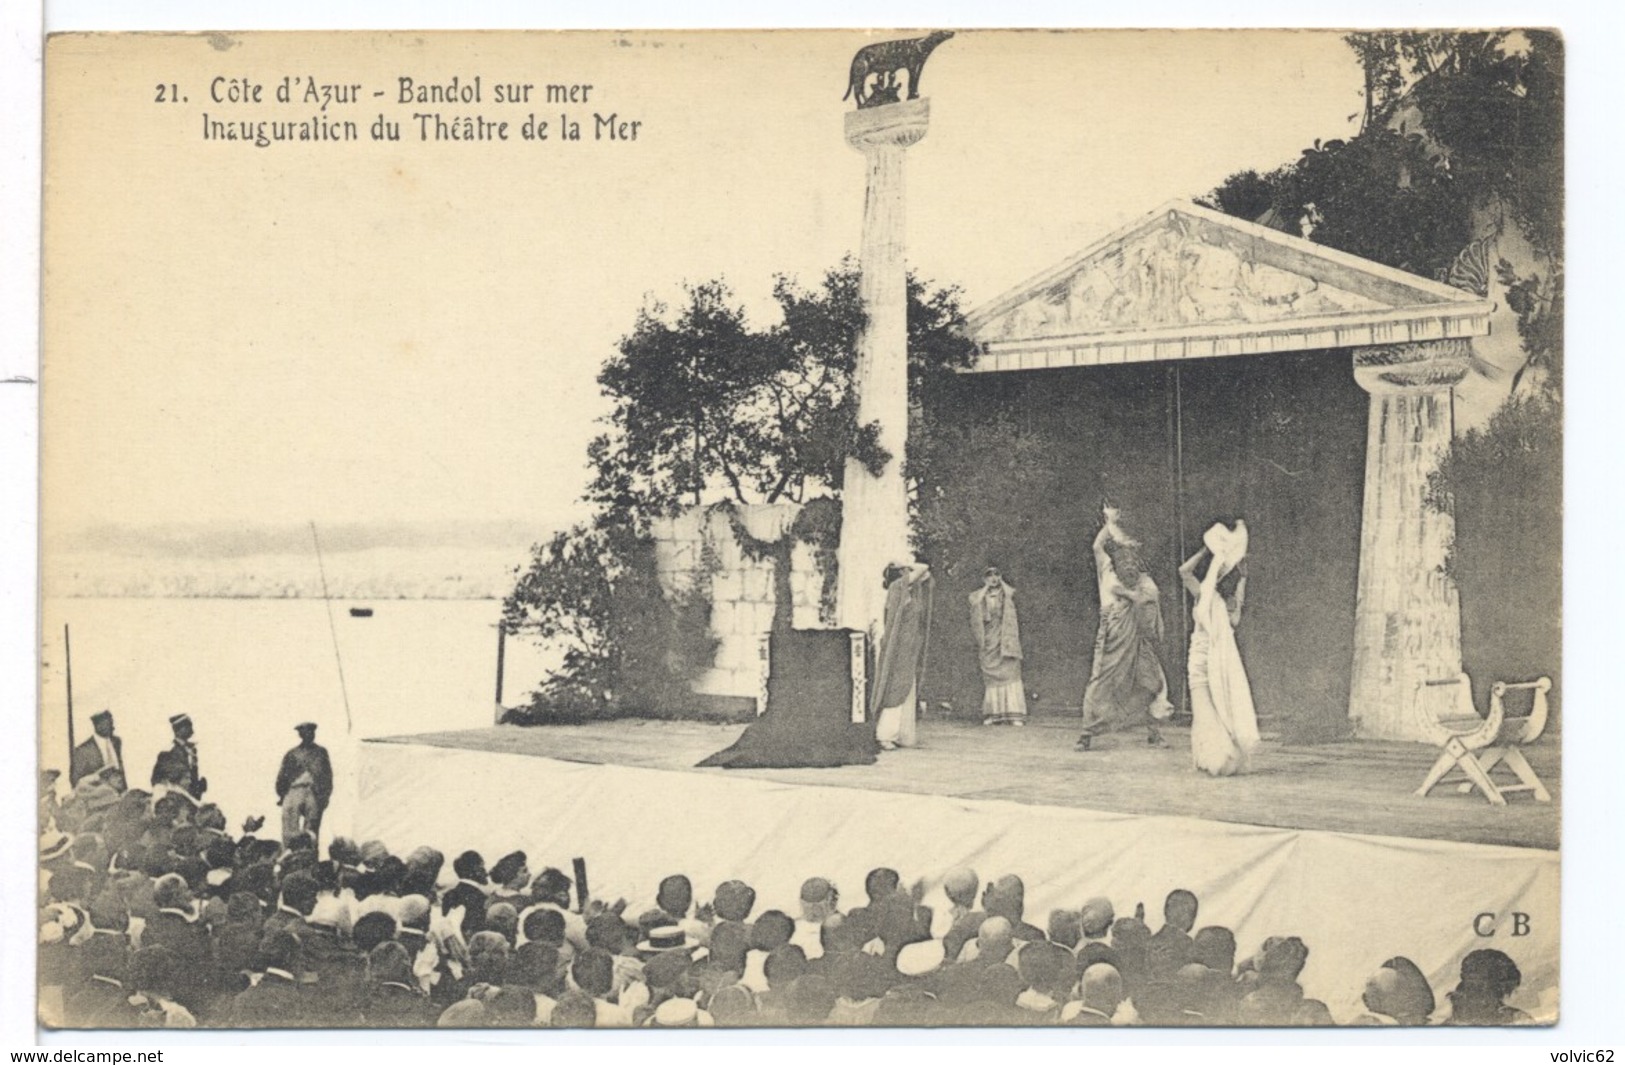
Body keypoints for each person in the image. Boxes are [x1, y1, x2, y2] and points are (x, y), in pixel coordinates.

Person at [1077, 506, 1173, 751]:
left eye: (1133, 562)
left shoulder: (1144, 582)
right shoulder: (1107, 571)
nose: (1129, 565)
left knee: (1152, 682)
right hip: (1112, 636)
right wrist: (1109, 523)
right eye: (1124, 560)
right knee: (1101, 683)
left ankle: (1153, 732)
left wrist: (1137, 600)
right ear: (1117, 561)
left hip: (1138, 639)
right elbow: (1098, 547)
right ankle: (1086, 734)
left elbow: (1151, 603)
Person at [1179, 521, 1259, 777]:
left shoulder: (1219, 604)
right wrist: (1208, 550)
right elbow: (1184, 571)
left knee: (1214, 706)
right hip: (1201, 661)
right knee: (1206, 708)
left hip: (1212, 661)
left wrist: (1241, 578)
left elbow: (1185, 572)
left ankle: (1218, 756)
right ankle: (1215, 755)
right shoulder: (1207, 597)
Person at [870, 561, 933, 751]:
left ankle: (902, 734)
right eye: (905, 571)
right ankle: (885, 734)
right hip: (898, 646)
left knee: (906, 687)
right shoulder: (897, 588)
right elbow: (923, 567)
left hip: (909, 646)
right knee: (896, 689)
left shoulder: (910, 591)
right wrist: (905, 562)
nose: (909, 573)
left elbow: (927, 576)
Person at [968, 567, 1027, 727]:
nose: (993, 578)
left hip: (1006, 638)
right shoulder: (977, 595)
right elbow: (975, 603)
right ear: (983, 578)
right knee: (991, 676)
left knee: (1010, 672)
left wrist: (1001, 582)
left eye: (996, 575)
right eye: (989, 575)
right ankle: (993, 714)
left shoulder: (1006, 593)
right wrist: (986, 587)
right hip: (989, 639)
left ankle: (1014, 714)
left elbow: (1011, 592)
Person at [275, 723, 334, 847]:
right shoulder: (292, 753)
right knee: (290, 829)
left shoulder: (321, 752)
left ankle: (309, 858)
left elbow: (327, 775)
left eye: (311, 732)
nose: (309, 735)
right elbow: (282, 776)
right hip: (294, 791)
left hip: (313, 791)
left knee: (311, 830)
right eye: (305, 732)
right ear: (300, 735)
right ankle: (288, 857)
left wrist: (325, 796)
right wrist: (282, 794)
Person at [151, 713, 206, 800]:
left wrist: (198, 787)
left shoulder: (192, 751)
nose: (192, 729)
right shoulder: (167, 753)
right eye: (188, 726)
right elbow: (156, 781)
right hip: (174, 801)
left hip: (190, 801)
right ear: (179, 730)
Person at [71, 710, 127, 792]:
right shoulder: (83, 750)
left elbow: (120, 770)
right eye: (108, 724)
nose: (112, 727)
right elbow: (76, 782)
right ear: (97, 726)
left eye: (111, 723)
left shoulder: (116, 742)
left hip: (118, 794)